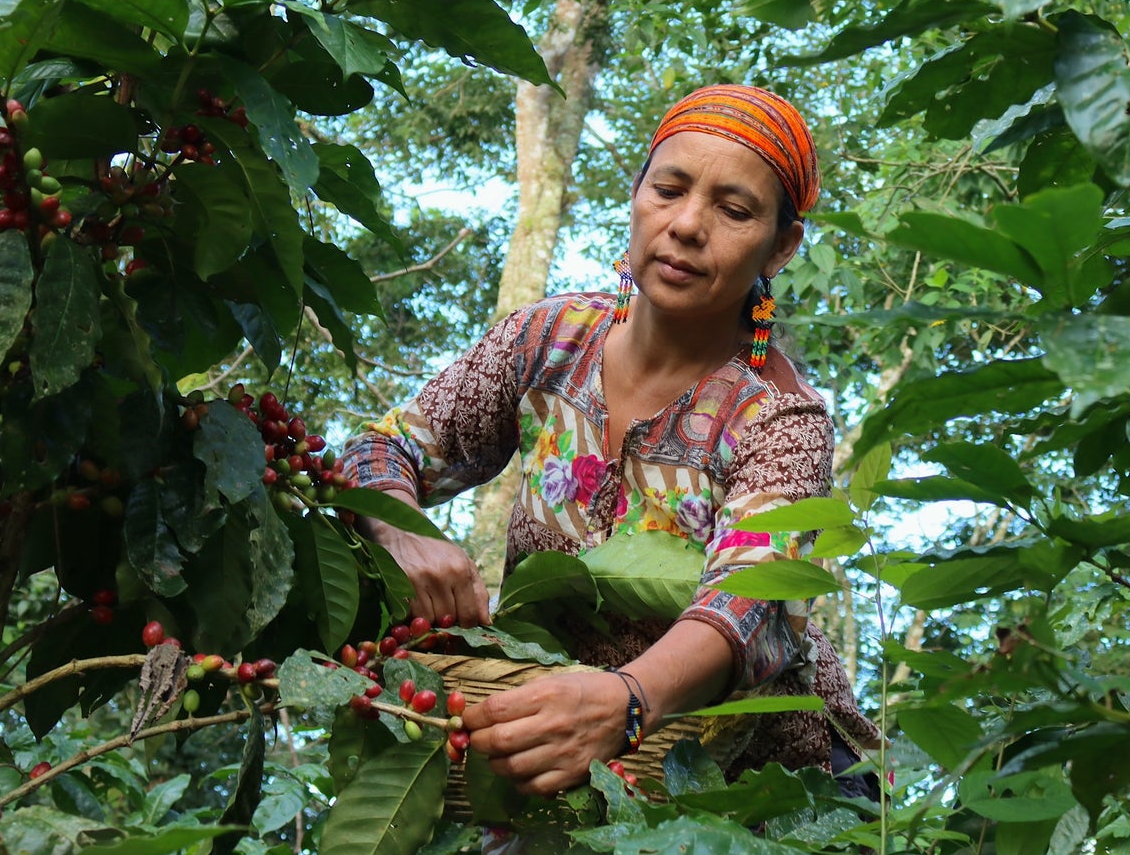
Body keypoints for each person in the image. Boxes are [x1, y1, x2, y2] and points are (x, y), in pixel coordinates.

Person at [339, 84, 877, 798]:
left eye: (734, 210)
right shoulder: (550, 339)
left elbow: (747, 604)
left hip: (766, 789)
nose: (686, 225)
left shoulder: (780, 419)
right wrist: (399, 531)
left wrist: (626, 702)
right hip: (575, 770)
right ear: (636, 193)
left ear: (781, 246)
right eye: (669, 189)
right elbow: (386, 447)